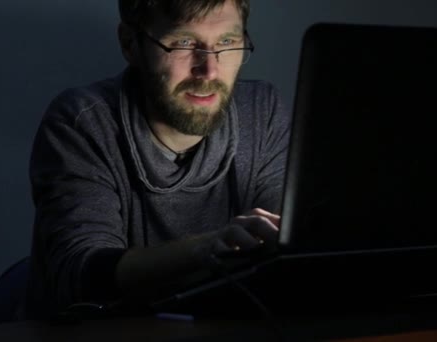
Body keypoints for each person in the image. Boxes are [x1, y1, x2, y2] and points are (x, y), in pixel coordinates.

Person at [27, 0, 291, 319]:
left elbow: (287, 258)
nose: (208, 70)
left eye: (226, 42)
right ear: (130, 44)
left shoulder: (262, 111)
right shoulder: (82, 122)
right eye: (183, 42)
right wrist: (207, 249)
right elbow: (83, 274)